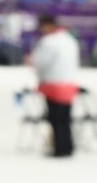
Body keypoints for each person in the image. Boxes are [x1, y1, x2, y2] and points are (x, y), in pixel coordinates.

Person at [29, 13, 80, 157]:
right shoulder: (69, 39)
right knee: (65, 118)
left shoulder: (48, 42)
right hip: (69, 83)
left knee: (55, 119)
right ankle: (67, 146)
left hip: (53, 83)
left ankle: (59, 148)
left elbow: (40, 62)